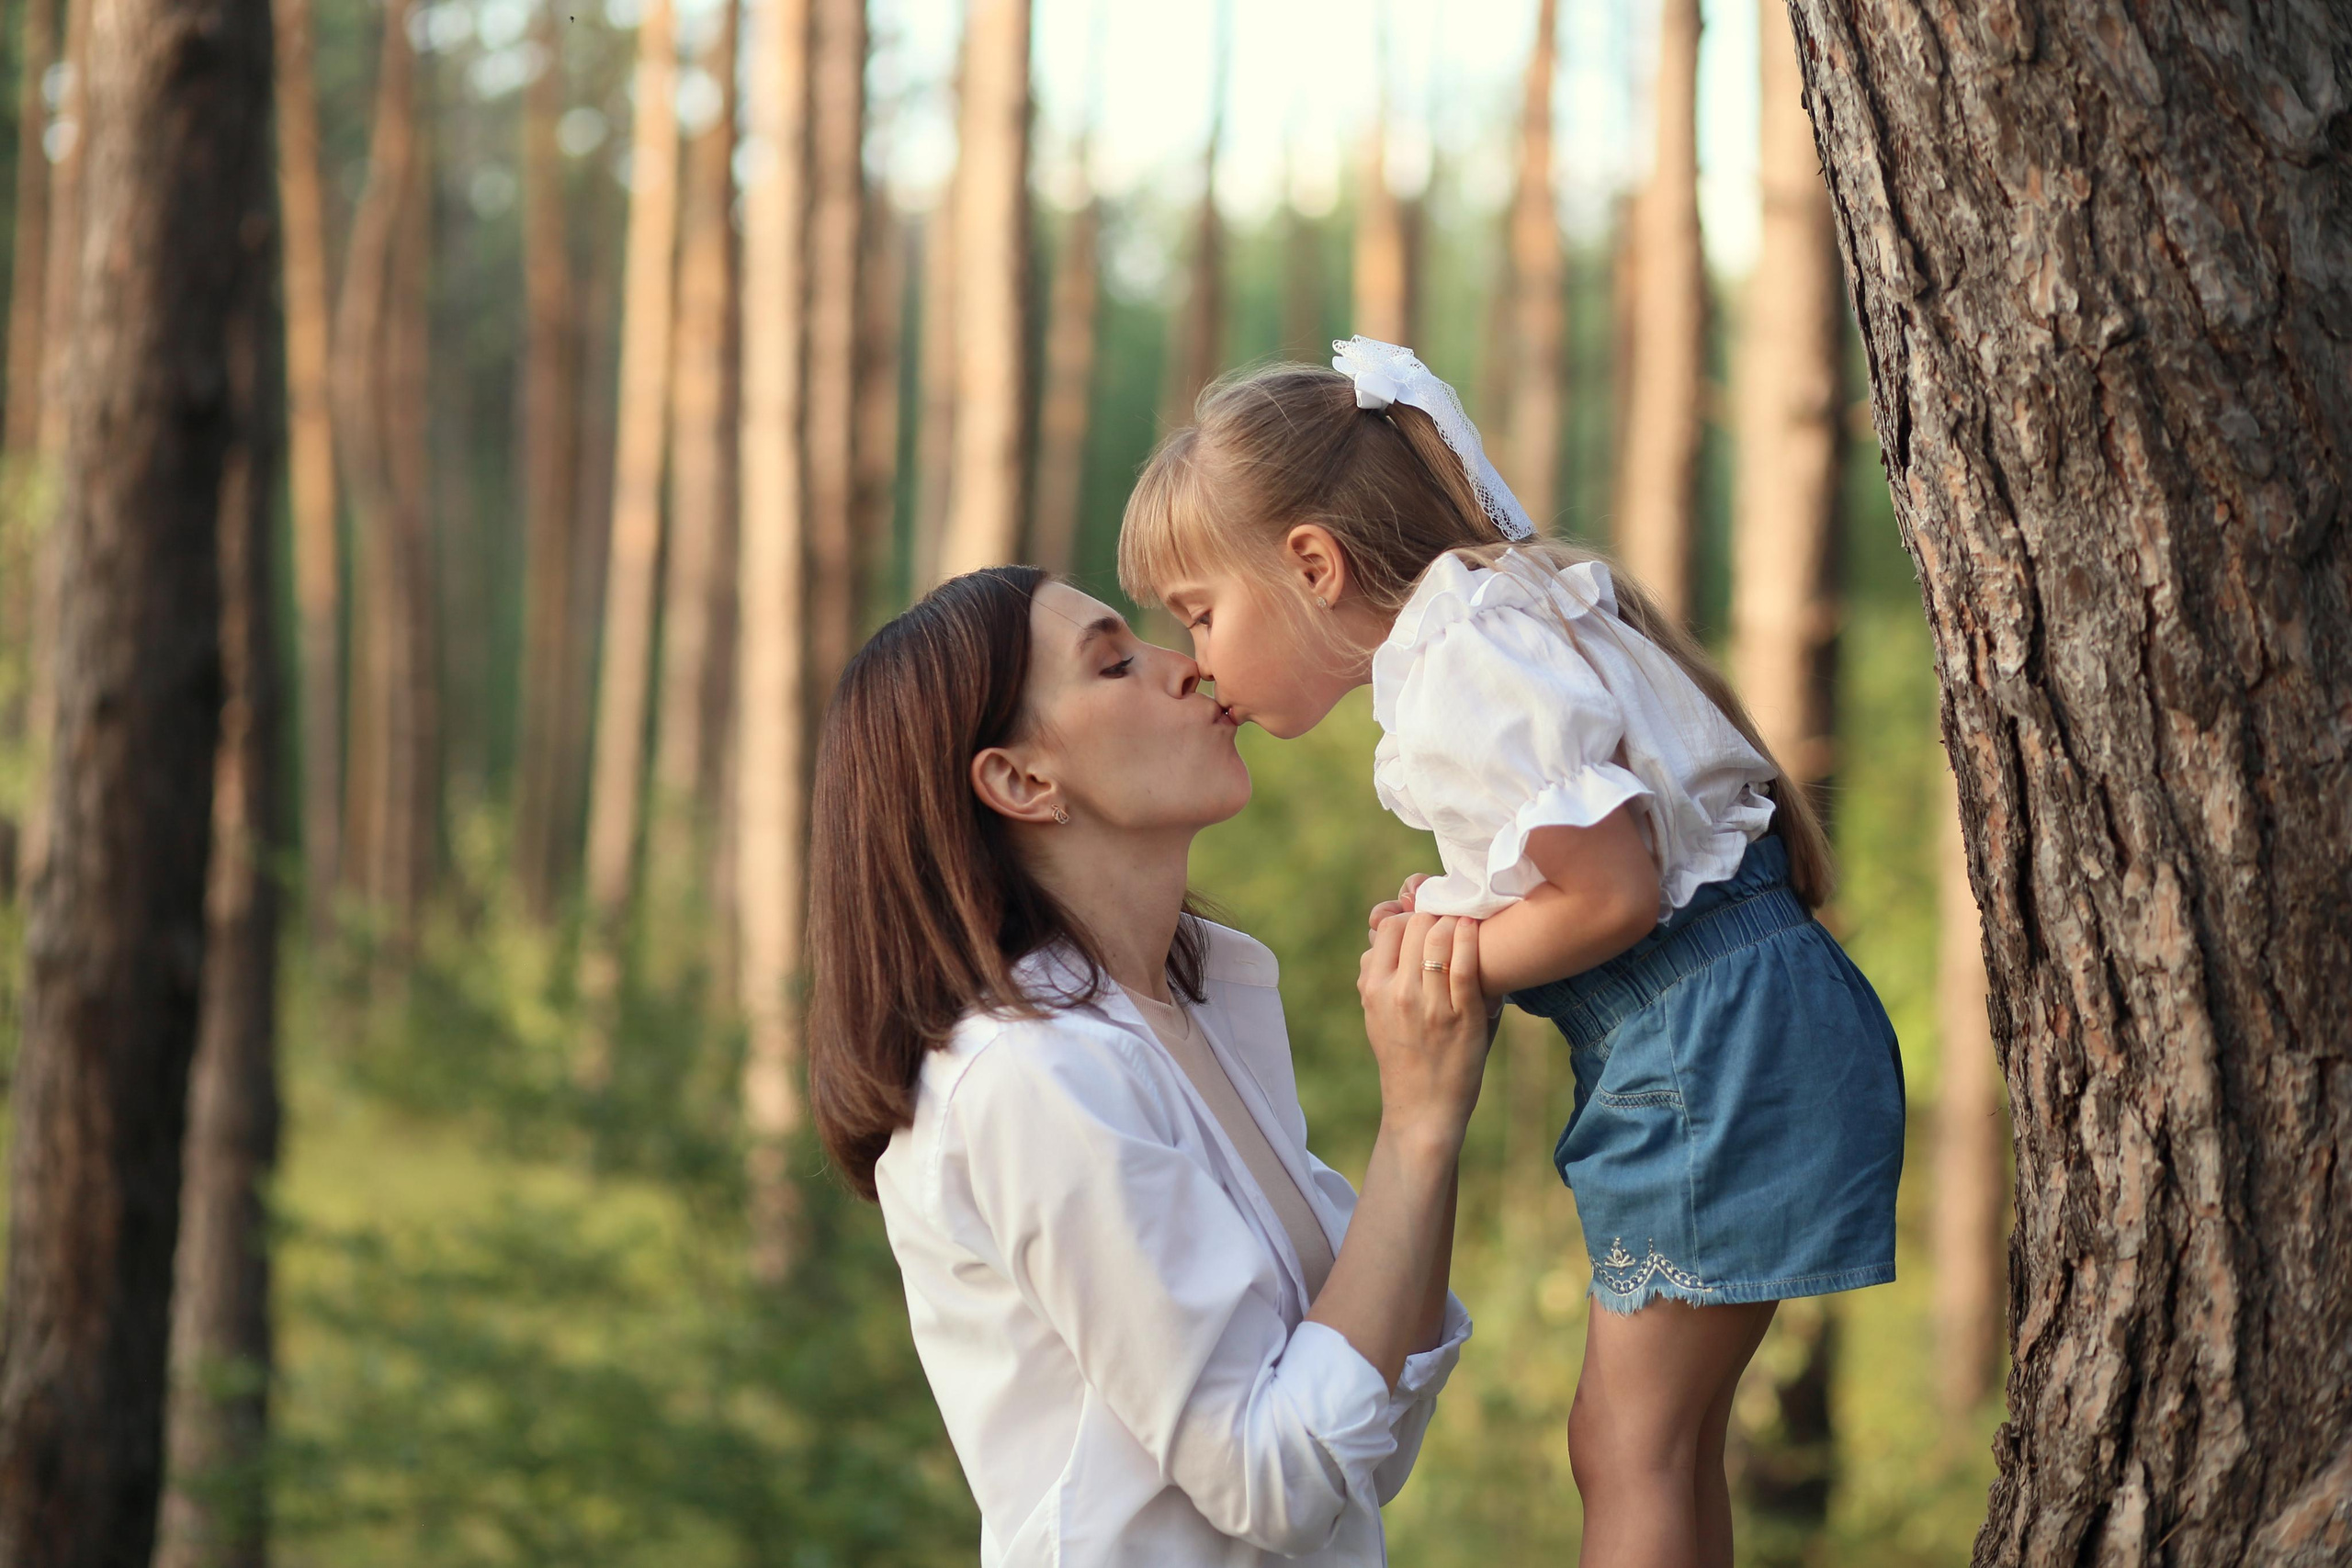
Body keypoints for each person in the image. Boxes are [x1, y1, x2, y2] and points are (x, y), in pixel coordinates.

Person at [1117, 339, 1905, 1568]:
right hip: (1729, 1028)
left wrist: (1455, 967)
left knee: (1626, 1444)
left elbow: (1614, 894)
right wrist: (1465, 909)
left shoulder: (1457, 671)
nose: (1197, 658)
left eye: (1200, 612)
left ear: (1311, 564)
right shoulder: (1500, 615)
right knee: (1662, 1438)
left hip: (1703, 1052)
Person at [805, 565, 1490, 1567]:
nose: (1184, 666)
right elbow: (1278, 1479)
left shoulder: (1198, 1004)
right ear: (1020, 780)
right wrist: (1418, 1119)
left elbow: (1364, 1451)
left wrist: (1431, 1104)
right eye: (1114, 663)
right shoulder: (1026, 1077)